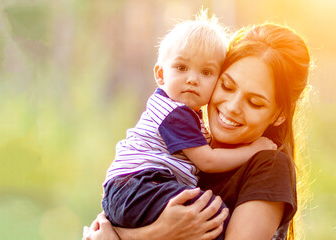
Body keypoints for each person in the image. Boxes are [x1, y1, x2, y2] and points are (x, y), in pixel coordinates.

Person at [84, 22, 311, 240]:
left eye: (254, 102)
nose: (232, 107)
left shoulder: (269, 164)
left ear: (279, 114)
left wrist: (138, 236)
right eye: (227, 86)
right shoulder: (186, 151)